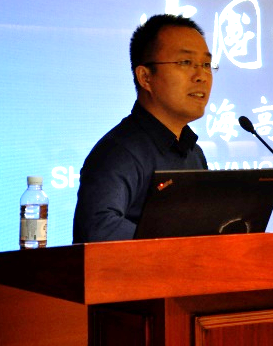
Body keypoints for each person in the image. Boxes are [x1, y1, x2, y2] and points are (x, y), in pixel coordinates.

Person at [72, 14, 216, 243]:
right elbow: (98, 229)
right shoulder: (119, 152)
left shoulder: (194, 154)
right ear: (145, 77)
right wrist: (181, 244)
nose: (201, 76)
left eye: (206, 65)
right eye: (185, 62)